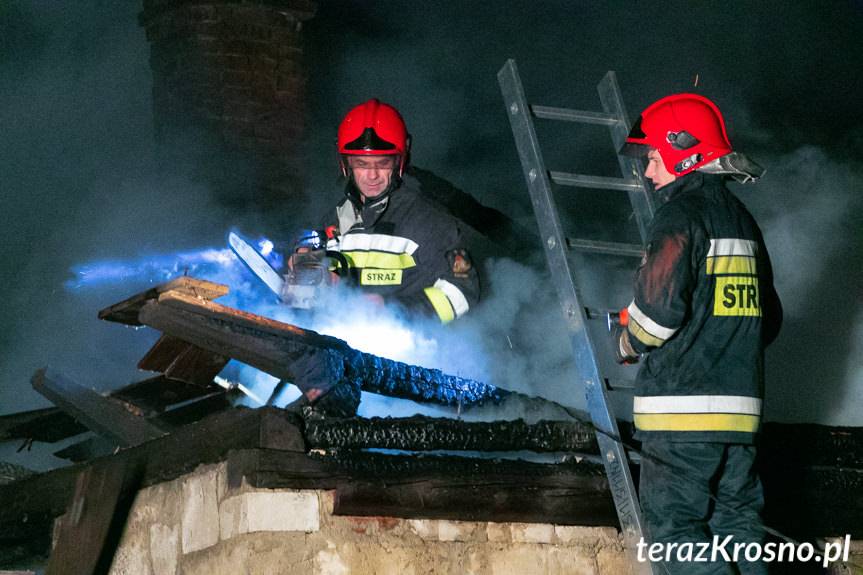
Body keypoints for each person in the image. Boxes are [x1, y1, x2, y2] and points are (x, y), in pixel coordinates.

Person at [615, 93, 782, 574]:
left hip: (681, 421)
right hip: (741, 421)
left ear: (682, 149)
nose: (648, 173)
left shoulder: (679, 218)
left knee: (674, 540)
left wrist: (627, 341)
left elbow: (656, 317)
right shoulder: (744, 224)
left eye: (652, 159)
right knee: (741, 533)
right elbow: (767, 319)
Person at [286, 98, 480, 417]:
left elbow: (462, 293)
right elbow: (334, 271)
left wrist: (395, 311)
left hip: (415, 365)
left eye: (382, 164)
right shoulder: (337, 217)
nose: (372, 175)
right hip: (345, 363)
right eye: (362, 164)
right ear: (346, 165)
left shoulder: (432, 224)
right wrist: (316, 270)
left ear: (400, 162)